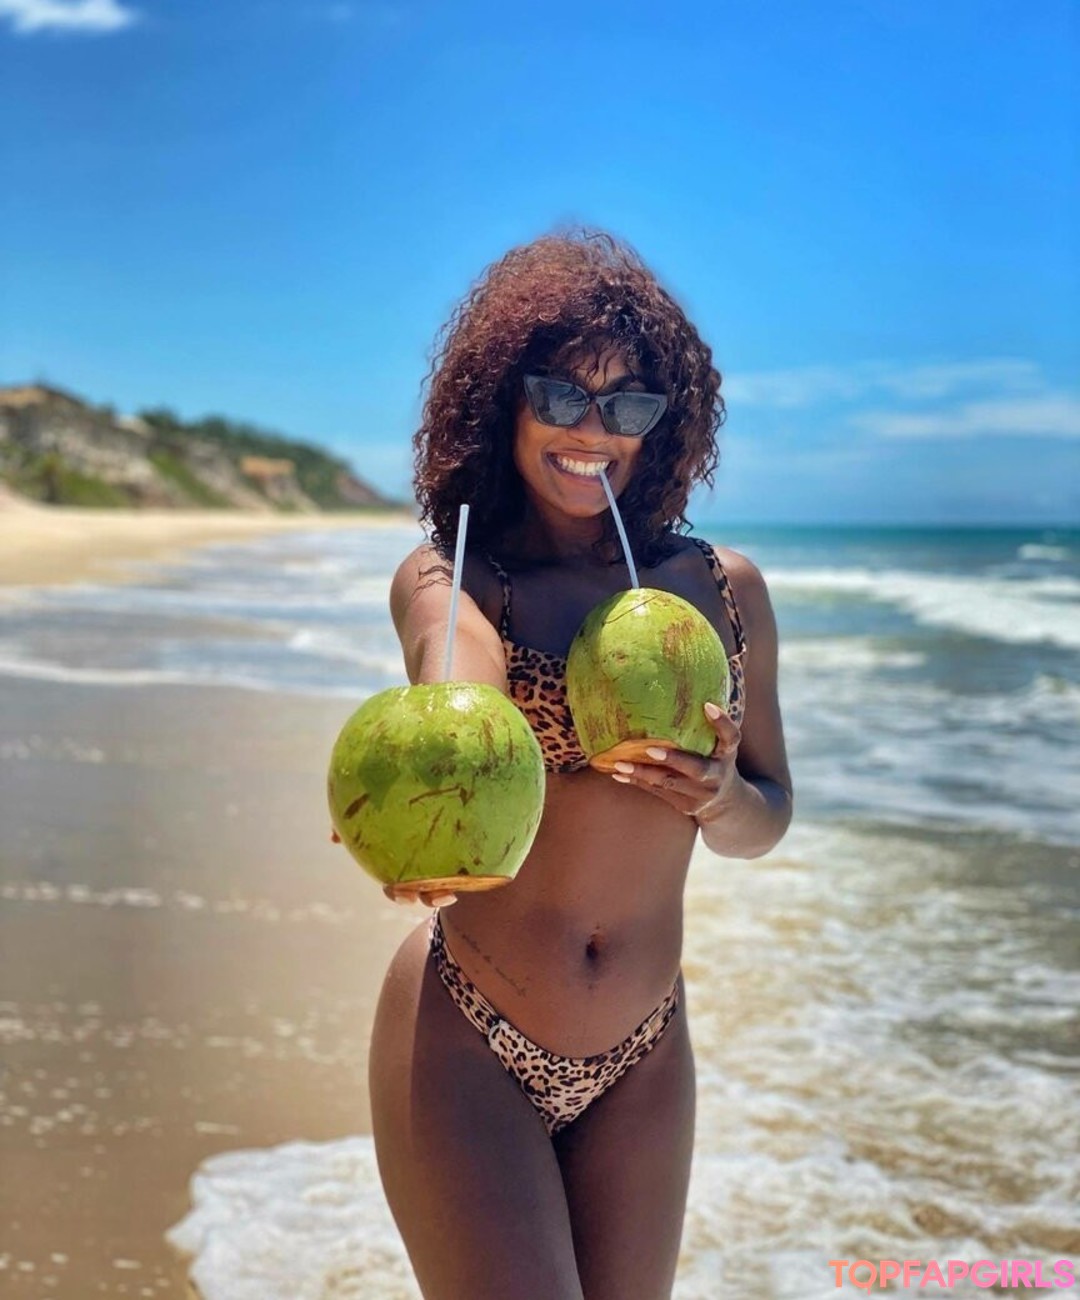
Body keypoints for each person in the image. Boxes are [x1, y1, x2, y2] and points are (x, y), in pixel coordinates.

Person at [360, 229, 792, 1299]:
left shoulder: (723, 589)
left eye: (627, 404)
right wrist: (430, 785)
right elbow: (458, 680)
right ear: (501, 404)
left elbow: (767, 815)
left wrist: (720, 795)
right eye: (561, 394)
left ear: (663, 423)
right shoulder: (454, 576)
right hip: (470, 1034)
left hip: (647, 1051)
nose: (593, 430)